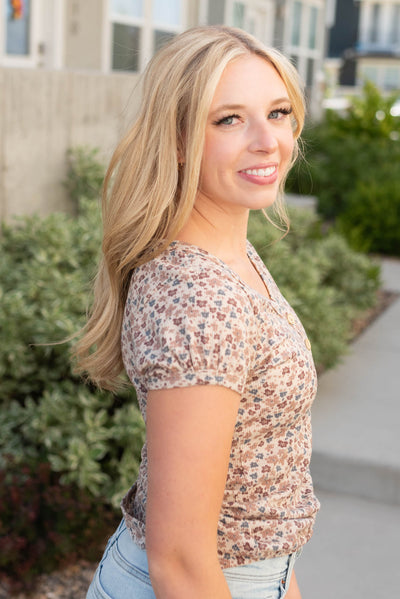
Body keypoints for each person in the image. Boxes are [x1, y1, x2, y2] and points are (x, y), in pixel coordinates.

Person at [77, 25, 320, 599]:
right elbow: (182, 559)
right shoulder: (200, 299)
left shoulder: (227, 250)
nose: (268, 140)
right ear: (179, 139)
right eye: (229, 119)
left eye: (279, 112)